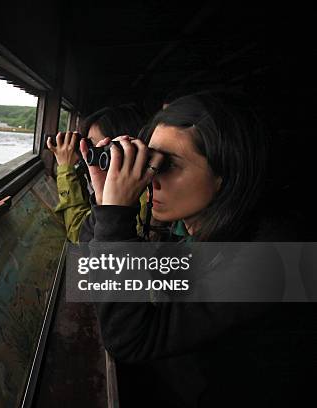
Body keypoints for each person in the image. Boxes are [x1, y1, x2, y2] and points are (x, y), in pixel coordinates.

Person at [77, 92, 313, 407]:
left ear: (225, 176)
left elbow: (128, 339)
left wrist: (116, 217)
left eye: (167, 165)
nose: (151, 180)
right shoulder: (190, 229)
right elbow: (85, 262)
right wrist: (107, 198)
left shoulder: (272, 255)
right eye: (150, 161)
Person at [47, 105, 144, 243]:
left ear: (126, 149)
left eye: (97, 148)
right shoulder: (119, 185)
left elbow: (80, 237)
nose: (89, 154)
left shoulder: (136, 194)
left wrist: (65, 169)